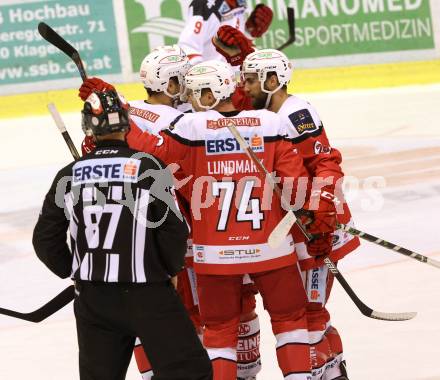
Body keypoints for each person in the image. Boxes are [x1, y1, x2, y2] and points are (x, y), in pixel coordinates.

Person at [125, 60, 339, 380]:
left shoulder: (189, 128)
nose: (191, 100)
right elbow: (295, 190)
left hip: (215, 255)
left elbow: (153, 153)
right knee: (291, 323)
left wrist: (116, 123)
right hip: (272, 250)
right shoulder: (269, 122)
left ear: (208, 95)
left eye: (196, 93)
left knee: (220, 334)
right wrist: (314, 220)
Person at [32, 89, 212, 380]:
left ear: (89, 126)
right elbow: (173, 229)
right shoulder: (147, 167)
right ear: (126, 124)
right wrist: (170, 268)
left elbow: (44, 239)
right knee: (190, 373)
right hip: (148, 293)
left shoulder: (69, 173)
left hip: (94, 298)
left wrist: (73, 271)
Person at [239, 49, 360, 380]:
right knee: (310, 312)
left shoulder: (296, 113)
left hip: (319, 225)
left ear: (272, 81)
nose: (245, 88)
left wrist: (322, 215)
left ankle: (325, 373)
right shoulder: (265, 115)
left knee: (309, 313)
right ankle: (334, 372)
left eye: (250, 81)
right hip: (299, 226)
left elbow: (325, 164)